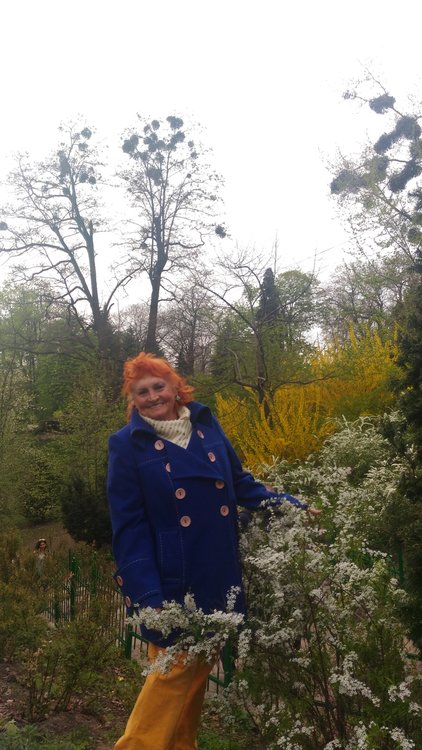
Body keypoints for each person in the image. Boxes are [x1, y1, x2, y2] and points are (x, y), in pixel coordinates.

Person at [107, 352, 320, 750]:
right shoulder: (127, 445)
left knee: (192, 682)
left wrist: (288, 504)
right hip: (172, 581)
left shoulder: (206, 426)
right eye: (142, 392)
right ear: (132, 400)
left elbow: (239, 484)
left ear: (176, 387)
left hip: (218, 575)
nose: (153, 396)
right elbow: (128, 526)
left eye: (158, 386)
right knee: (172, 676)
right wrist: (148, 594)